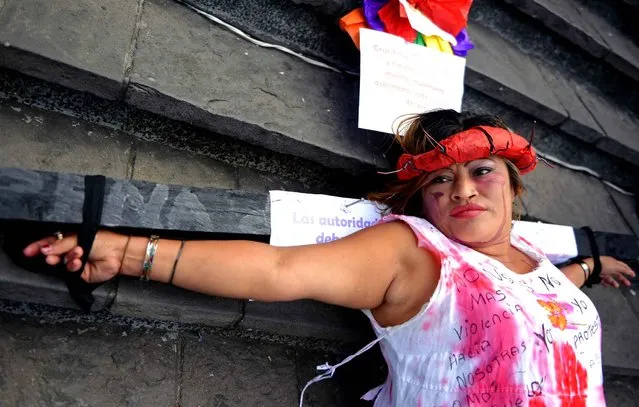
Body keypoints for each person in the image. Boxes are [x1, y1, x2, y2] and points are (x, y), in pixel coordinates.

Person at [22, 110, 635, 406]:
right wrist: (126, 252)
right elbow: (281, 271)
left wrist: (592, 270)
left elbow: (543, 297)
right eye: (440, 183)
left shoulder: (532, 257)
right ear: (423, 199)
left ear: (513, 185)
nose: (463, 192)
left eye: (481, 173)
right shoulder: (417, 254)